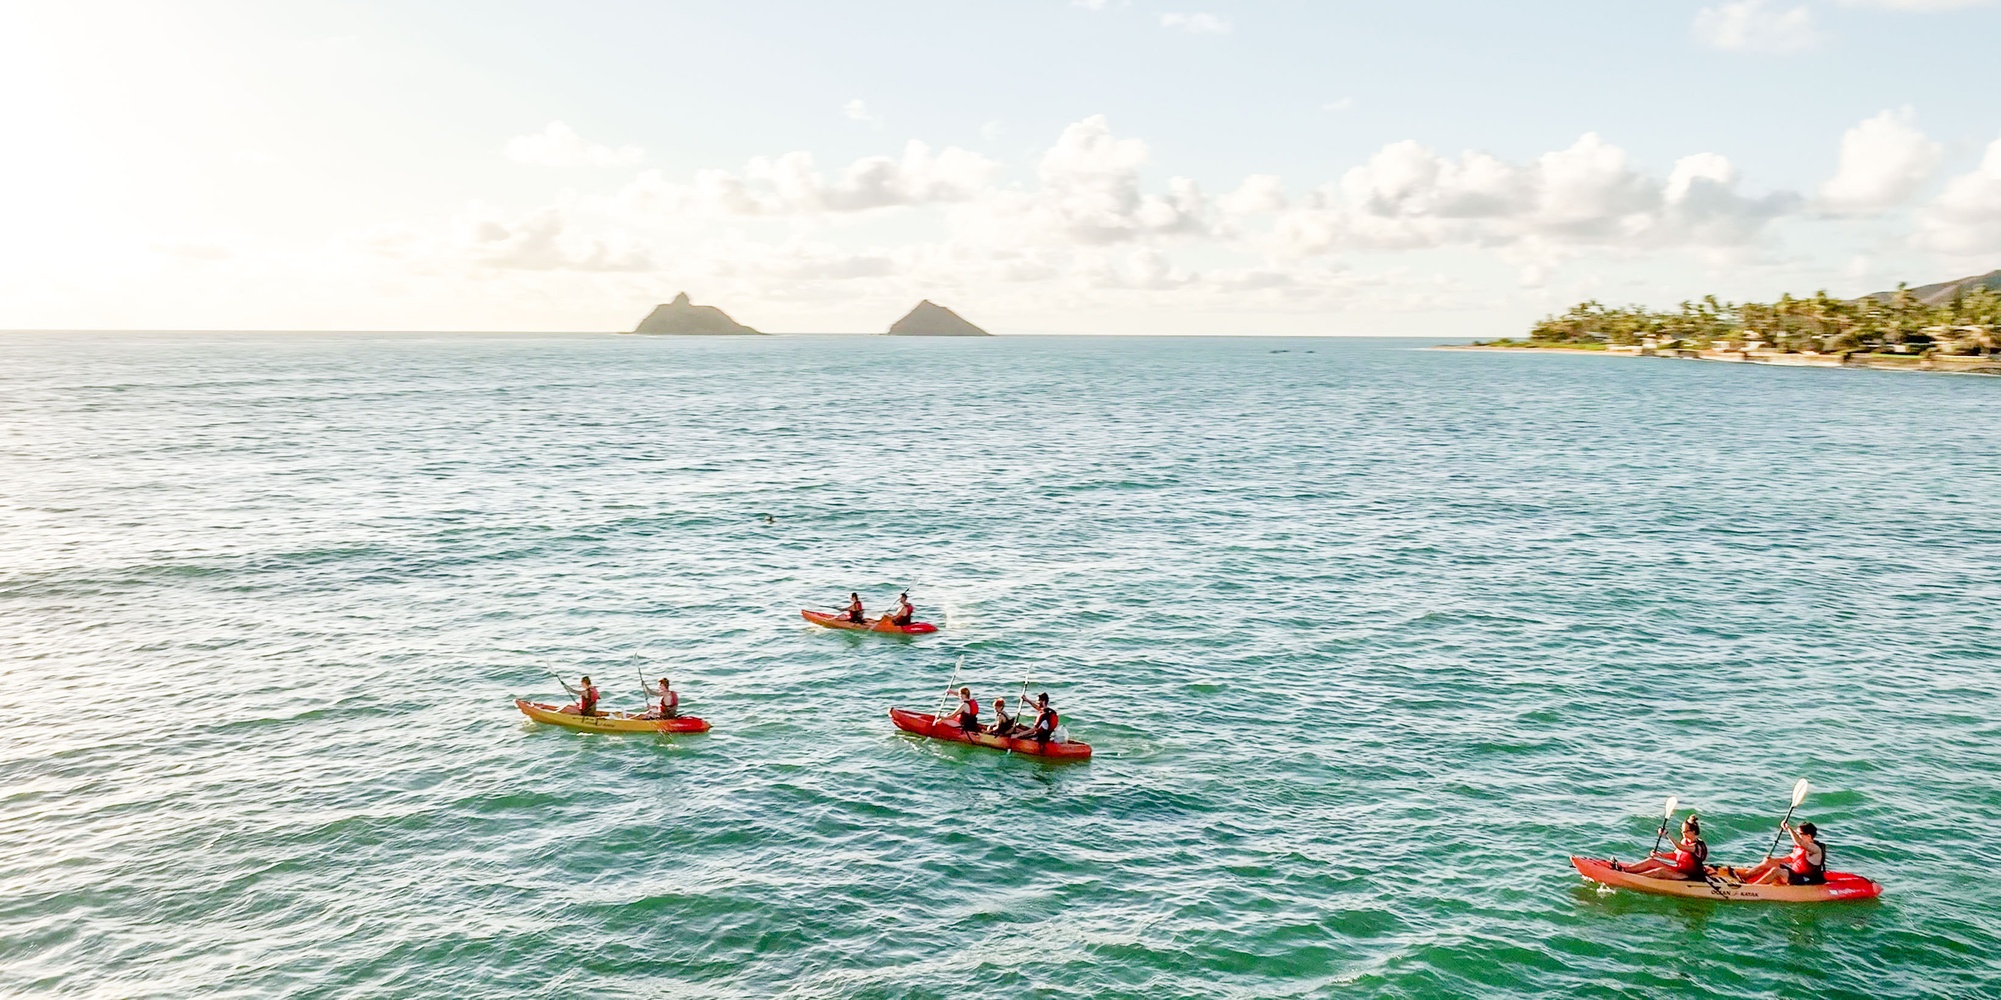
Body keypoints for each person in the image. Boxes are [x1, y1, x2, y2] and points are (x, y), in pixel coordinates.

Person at [1613, 814, 1708, 881]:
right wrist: (1660, 855)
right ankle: (1624, 870)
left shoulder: (1697, 847)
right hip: (1679, 869)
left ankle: (1633, 878)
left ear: (1693, 832)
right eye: (1682, 831)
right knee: (1651, 861)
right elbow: (1676, 855)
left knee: (1660, 872)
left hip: (1688, 876)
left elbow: (1680, 847)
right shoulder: (1685, 841)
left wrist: (1667, 835)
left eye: (1685, 831)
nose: (1682, 834)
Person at [1731, 821, 1827, 885]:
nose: (1797, 835)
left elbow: (1798, 841)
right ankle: (1745, 876)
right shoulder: (1800, 847)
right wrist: (1771, 860)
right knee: (1768, 863)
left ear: (1809, 836)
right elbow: (1788, 859)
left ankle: (1754, 887)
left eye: (1799, 834)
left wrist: (1788, 828)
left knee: (1776, 871)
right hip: (1795, 874)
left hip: (1806, 879)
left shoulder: (1815, 848)